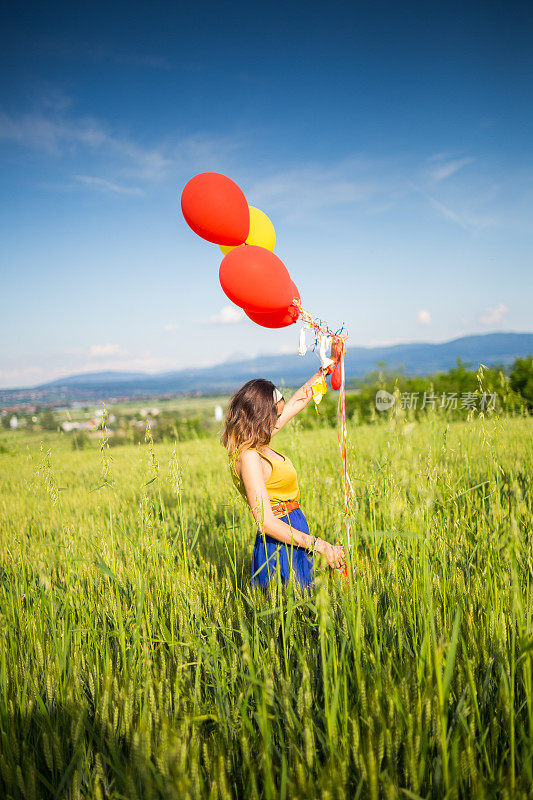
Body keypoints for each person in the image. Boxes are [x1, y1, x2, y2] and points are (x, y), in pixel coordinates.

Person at [220, 338, 346, 593]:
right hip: (279, 543)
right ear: (260, 417)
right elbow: (265, 522)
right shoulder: (249, 457)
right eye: (275, 415)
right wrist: (320, 545)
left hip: (296, 530)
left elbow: (301, 397)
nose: (280, 418)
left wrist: (332, 362)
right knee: (289, 616)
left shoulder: (260, 442)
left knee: (304, 609)